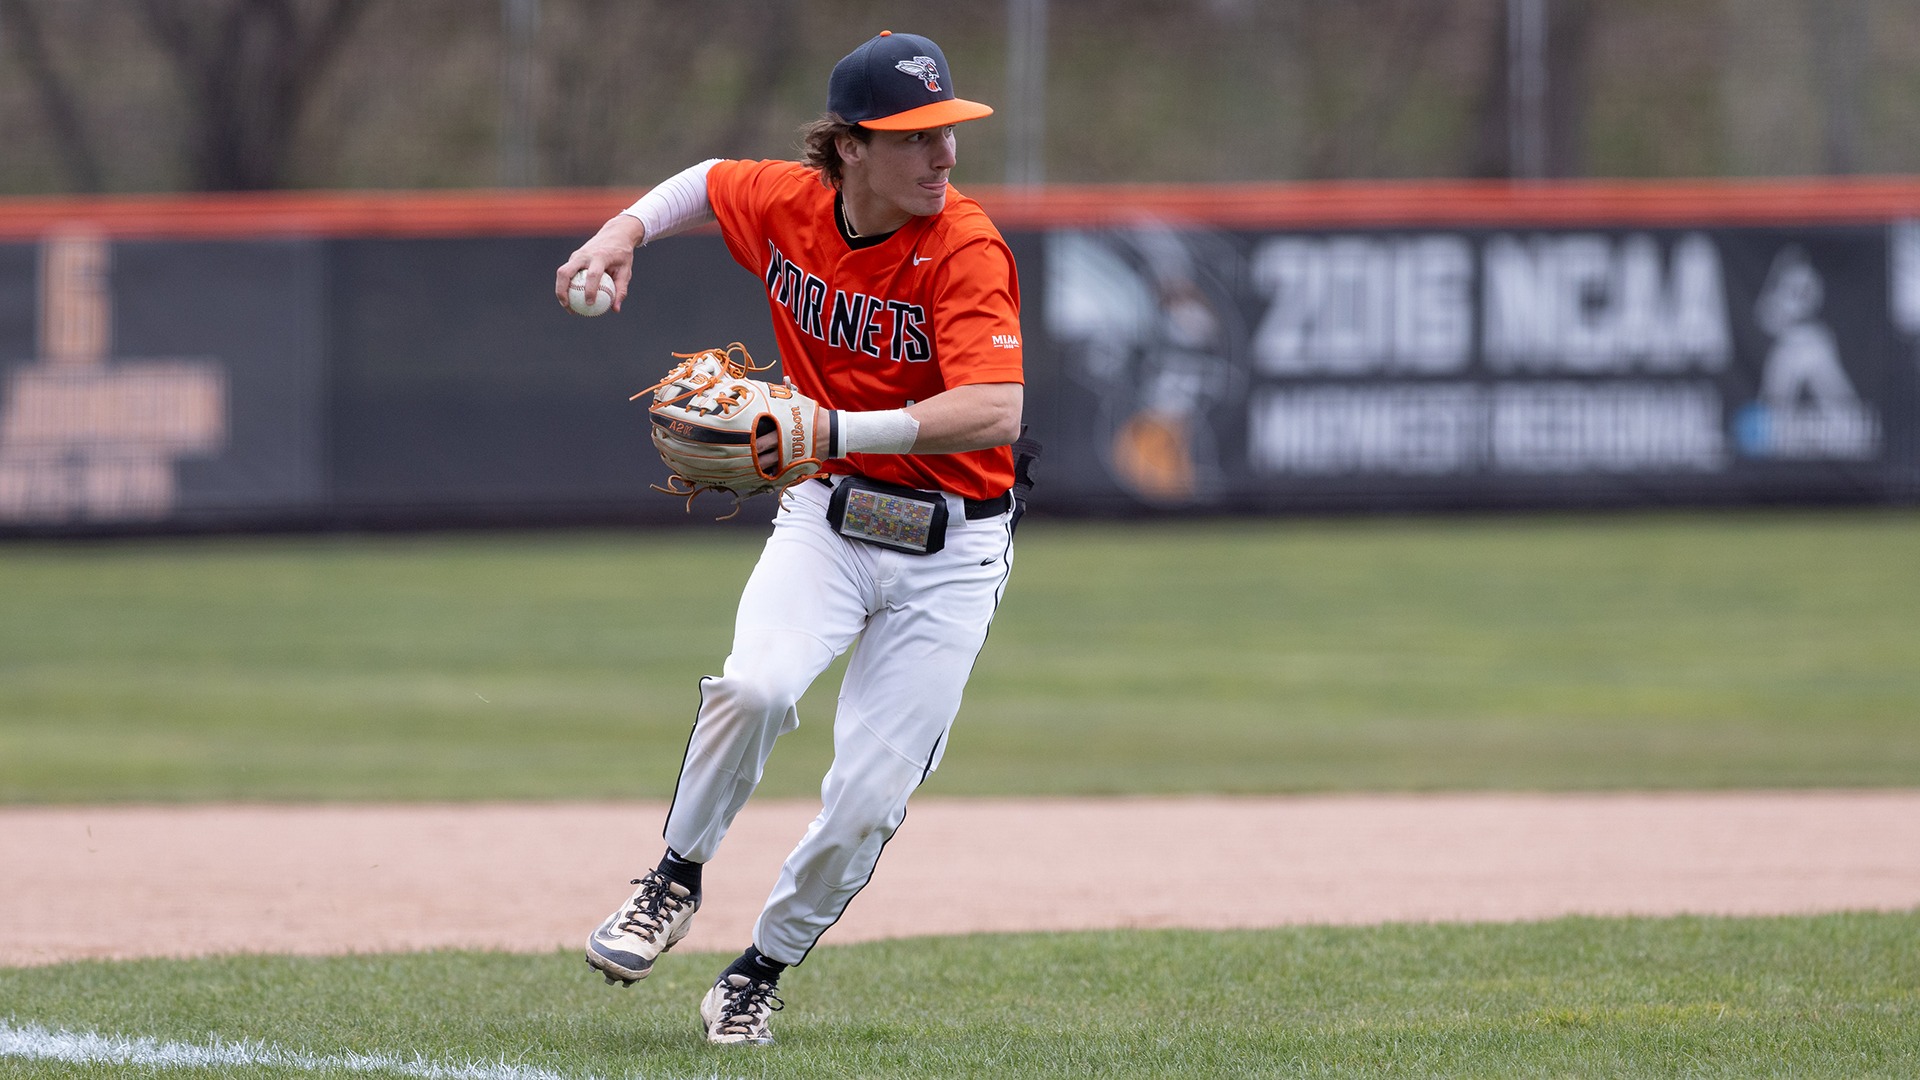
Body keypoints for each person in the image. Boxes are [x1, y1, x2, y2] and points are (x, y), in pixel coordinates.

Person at [553, 30, 1027, 1047]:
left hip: (952, 550)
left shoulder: (966, 246)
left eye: (948, 131)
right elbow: (705, 180)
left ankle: (757, 972)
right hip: (831, 514)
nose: (943, 156)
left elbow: (995, 409)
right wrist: (622, 232)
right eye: (915, 138)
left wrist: (839, 427)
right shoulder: (790, 204)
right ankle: (672, 879)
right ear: (847, 148)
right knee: (757, 686)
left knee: (867, 797)